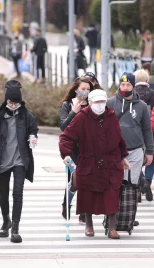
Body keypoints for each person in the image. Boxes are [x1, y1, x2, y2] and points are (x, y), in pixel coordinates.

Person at [59, 89, 130, 239]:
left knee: (112, 193)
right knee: (88, 193)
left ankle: (112, 228)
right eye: (96, 102)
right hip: (89, 161)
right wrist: (66, 154)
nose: (99, 105)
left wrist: (123, 156)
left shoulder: (111, 116)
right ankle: (89, 225)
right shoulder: (82, 117)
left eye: (102, 102)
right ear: (90, 103)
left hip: (110, 161)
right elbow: (66, 137)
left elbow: (119, 139)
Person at [0, 80, 38, 243]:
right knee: (3, 194)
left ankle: (15, 228)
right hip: (2, 160)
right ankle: (5, 221)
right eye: (10, 102)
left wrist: (33, 138)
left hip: (20, 161)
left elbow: (33, 130)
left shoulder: (27, 116)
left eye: (16, 102)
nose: (13, 105)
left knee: (18, 193)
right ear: (6, 101)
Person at [107, 73, 154, 206]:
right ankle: (114, 215)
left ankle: (129, 216)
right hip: (115, 151)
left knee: (132, 185)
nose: (125, 87)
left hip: (135, 151)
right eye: (122, 84)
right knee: (115, 184)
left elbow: (147, 130)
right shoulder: (110, 103)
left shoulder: (142, 106)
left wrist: (149, 152)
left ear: (133, 86)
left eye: (128, 85)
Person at [59, 77, 94, 223]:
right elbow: (63, 127)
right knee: (76, 179)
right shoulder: (67, 105)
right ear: (76, 90)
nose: (85, 92)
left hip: (89, 148)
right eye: (82, 89)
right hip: (72, 150)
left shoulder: (93, 105)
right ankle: (67, 203)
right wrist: (73, 112)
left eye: (88, 89)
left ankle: (84, 212)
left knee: (88, 180)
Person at [133, 69, 154, 202]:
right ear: (147, 80)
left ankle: (139, 182)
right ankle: (147, 181)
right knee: (150, 155)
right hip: (150, 129)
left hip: (134, 129)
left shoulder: (132, 93)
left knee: (136, 157)